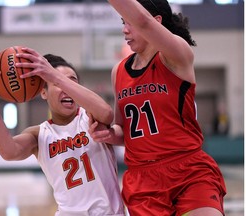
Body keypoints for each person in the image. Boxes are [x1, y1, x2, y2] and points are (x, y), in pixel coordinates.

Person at [88, 0, 227, 215]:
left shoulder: (176, 54)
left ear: (157, 22)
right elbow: (123, 130)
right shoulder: (119, 71)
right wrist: (107, 133)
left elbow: (143, 21)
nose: (124, 29)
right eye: (123, 22)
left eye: (130, 22)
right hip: (143, 181)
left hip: (188, 170)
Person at [0, 49, 125, 216]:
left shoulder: (90, 117)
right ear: (43, 92)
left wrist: (56, 77)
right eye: (57, 83)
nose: (66, 87)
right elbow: (8, 151)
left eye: (71, 81)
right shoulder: (39, 134)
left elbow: (107, 113)